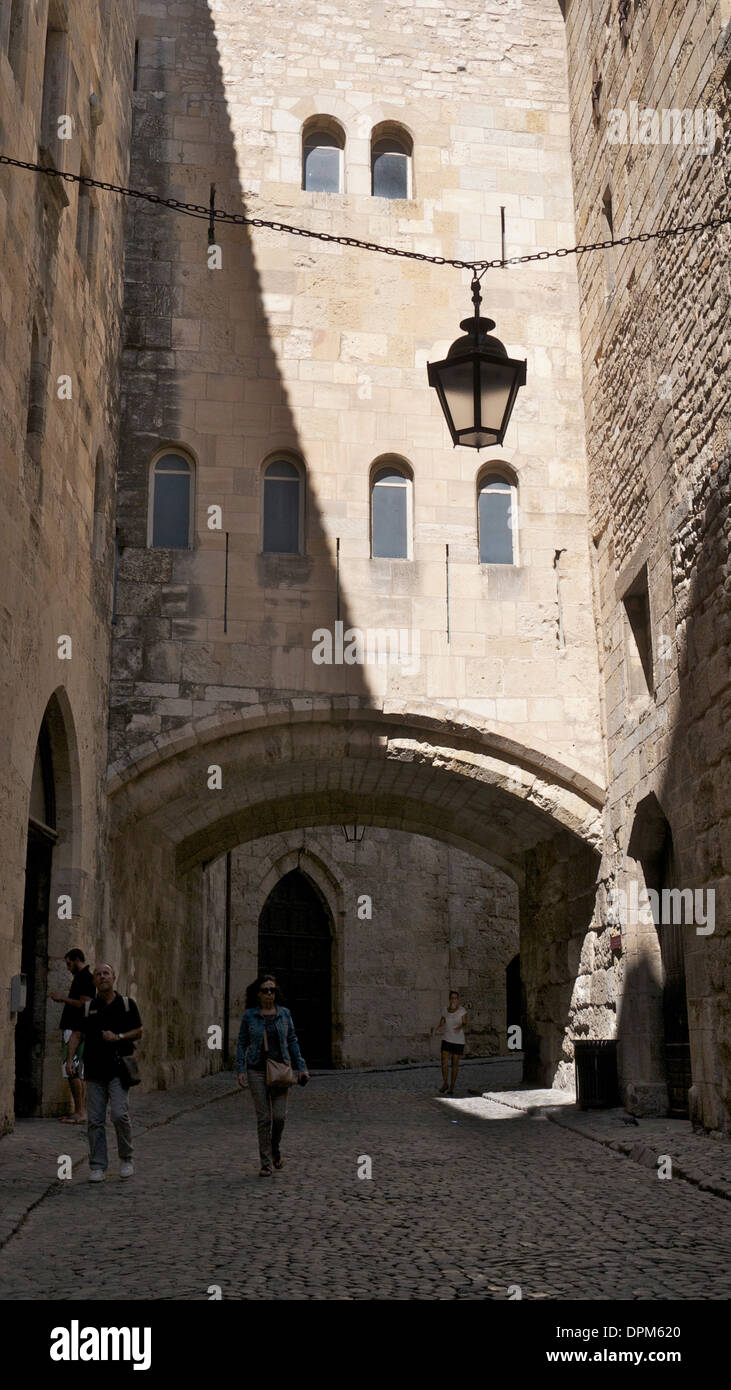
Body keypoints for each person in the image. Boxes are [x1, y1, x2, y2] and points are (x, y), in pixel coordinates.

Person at [65, 964, 142, 1183]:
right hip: (94, 1071)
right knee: (96, 1120)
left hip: (118, 1070)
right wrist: (70, 1059)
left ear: (114, 977)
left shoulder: (127, 1004)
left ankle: (126, 1158)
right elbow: (77, 1035)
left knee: (119, 1114)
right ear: (95, 981)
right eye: (98, 975)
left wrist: (118, 1037)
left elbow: (139, 1031)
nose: (102, 977)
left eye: (105, 973)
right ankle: (98, 1165)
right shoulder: (89, 1008)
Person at [236, 972, 309, 1176]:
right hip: (257, 1071)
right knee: (264, 1118)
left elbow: (292, 1040)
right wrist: (240, 1069)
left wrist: (301, 1066)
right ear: (258, 994)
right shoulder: (250, 1015)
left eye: (272, 990)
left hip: (281, 1070)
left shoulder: (284, 1014)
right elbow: (242, 1044)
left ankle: (275, 1149)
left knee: (279, 1117)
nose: (269, 994)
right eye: (265, 990)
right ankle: (266, 1163)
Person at [49, 949, 95, 1123]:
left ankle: (80, 1112)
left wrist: (63, 999)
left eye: (69, 963)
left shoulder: (85, 978)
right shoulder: (82, 977)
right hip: (76, 1028)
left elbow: (85, 1003)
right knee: (76, 1071)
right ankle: (81, 1111)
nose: (68, 968)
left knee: (72, 1071)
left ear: (76, 960)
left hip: (76, 1029)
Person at [433, 990, 468, 1095]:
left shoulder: (462, 1010)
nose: (454, 1000)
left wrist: (460, 1027)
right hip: (447, 1038)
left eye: (456, 998)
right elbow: (442, 1022)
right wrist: (436, 1028)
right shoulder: (445, 1010)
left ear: (458, 999)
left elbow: (465, 1022)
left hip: (458, 1040)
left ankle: (452, 1086)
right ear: (449, 999)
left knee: (454, 1063)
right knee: (444, 1061)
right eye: (452, 998)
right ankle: (445, 1083)